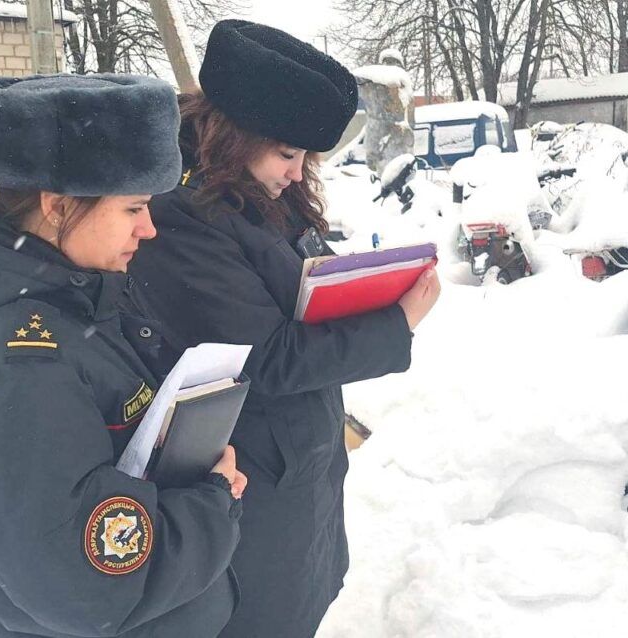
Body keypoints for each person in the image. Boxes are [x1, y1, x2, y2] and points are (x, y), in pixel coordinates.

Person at [127, 20, 440, 638]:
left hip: (295, 460)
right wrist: (394, 323)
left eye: (306, 157)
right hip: (249, 473)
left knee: (303, 597)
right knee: (261, 615)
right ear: (233, 135)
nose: (299, 174)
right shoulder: (180, 216)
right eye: (288, 154)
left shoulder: (248, 188)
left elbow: (290, 285)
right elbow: (263, 358)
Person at [0, 74, 247, 638]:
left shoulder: (68, 302)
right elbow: (88, 588)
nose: (149, 229)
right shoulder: (14, 364)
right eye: (134, 208)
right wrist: (209, 501)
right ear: (57, 206)